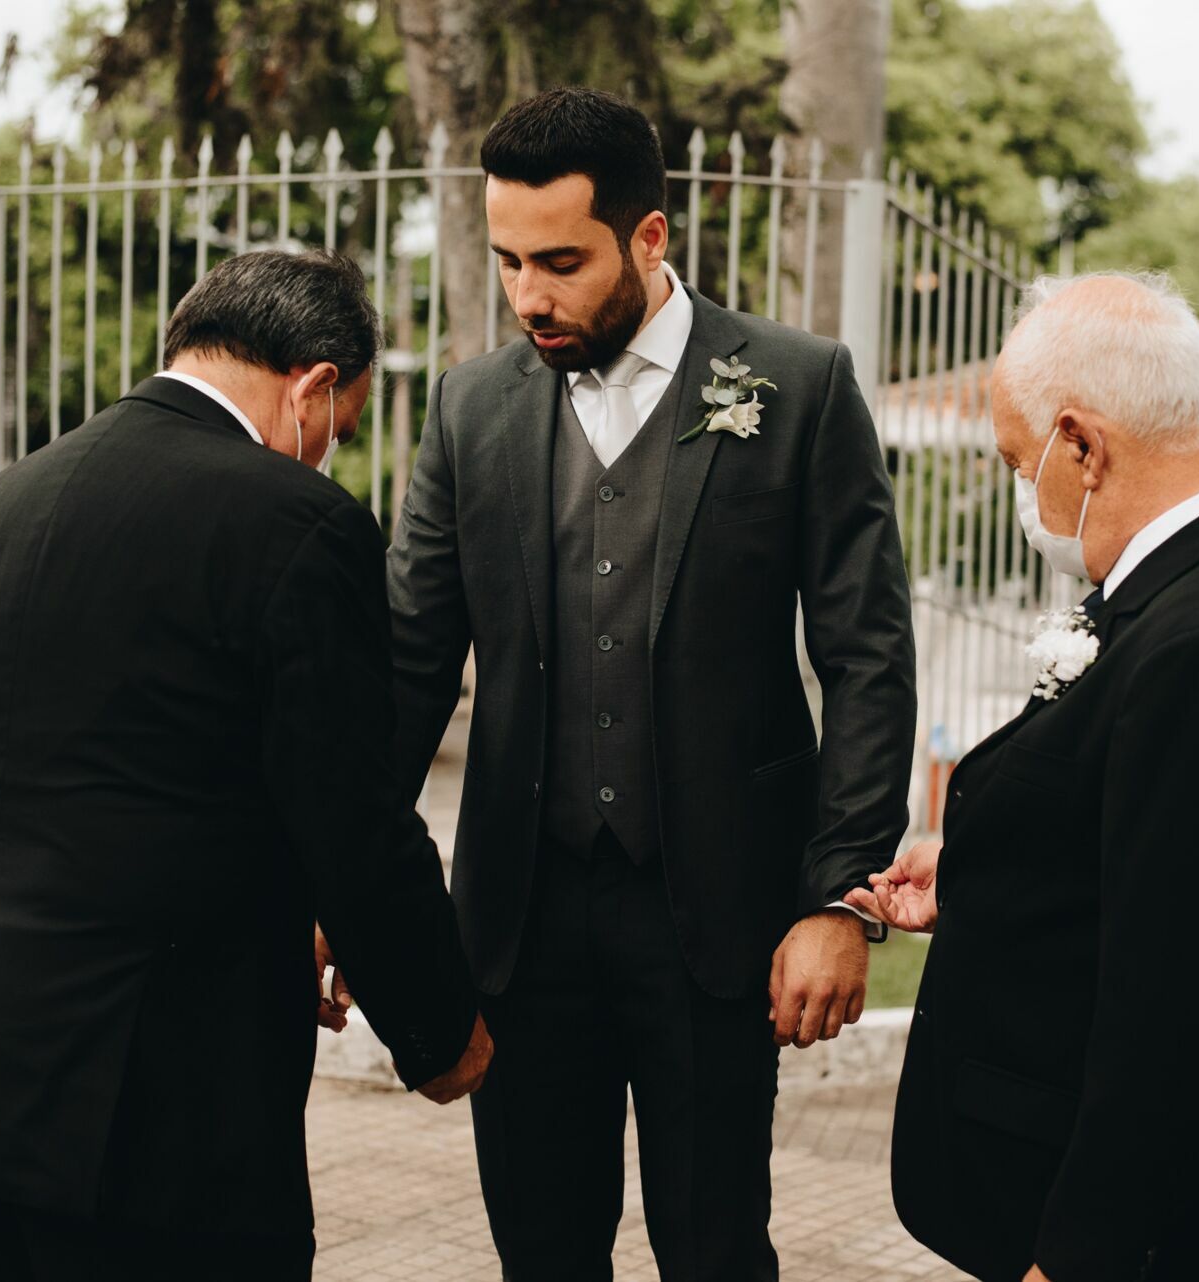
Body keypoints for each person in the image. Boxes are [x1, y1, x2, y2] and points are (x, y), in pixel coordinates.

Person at [0, 250, 491, 1280]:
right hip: (155, 1115)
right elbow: (353, 815)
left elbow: (45, 777)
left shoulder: (0, 506)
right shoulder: (301, 522)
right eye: (343, 425)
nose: (330, 451)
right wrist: (441, 1035)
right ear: (314, 385)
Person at [387, 87, 916, 1279]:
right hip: (520, 924)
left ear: (649, 236)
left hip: (717, 920)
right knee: (541, 1250)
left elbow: (867, 660)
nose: (530, 295)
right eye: (510, 261)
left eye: (561, 262)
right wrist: (341, 871)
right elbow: (408, 665)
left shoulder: (800, 384)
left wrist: (842, 896)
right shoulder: (469, 407)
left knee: (717, 1247)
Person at [849, 273, 1199, 1282]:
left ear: (1081, 445)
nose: (1017, 489)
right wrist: (987, 870)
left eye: (1013, 462)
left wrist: (1076, 1259)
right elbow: (1146, 864)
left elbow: (1176, 1016)